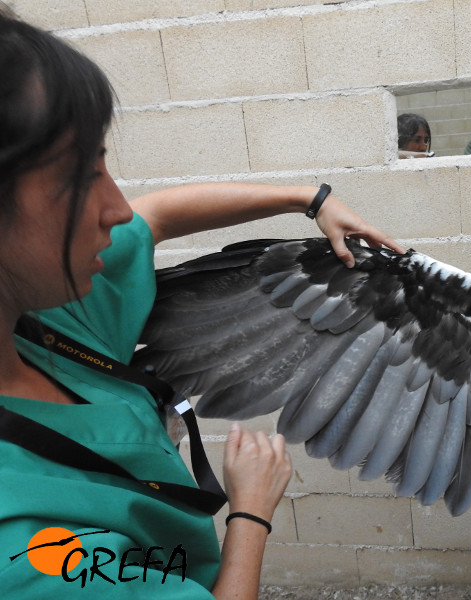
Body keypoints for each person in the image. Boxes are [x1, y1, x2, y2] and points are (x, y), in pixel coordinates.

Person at [0, 11, 402, 599]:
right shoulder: (23, 549)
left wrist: (309, 199)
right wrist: (252, 510)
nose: (118, 209)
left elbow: (157, 215)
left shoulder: (42, 321)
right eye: (82, 178)